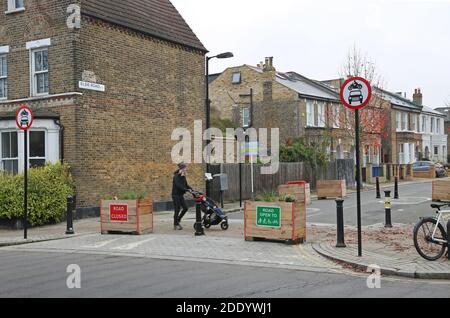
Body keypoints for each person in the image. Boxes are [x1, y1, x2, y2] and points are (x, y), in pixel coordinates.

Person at [172, 163, 192, 230]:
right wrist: (186, 190)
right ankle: (175, 224)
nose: (186, 170)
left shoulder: (183, 176)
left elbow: (186, 185)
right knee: (177, 209)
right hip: (175, 195)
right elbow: (179, 186)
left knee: (185, 208)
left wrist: (192, 190)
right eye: (185, 169)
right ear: (181, 169)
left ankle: (177, 220)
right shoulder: (176, 176)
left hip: (180, 195)